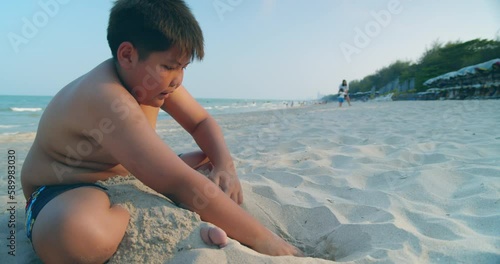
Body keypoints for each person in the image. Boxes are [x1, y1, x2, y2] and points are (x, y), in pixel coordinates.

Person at [20, 0, 302, 262]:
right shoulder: (106, 97)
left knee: (209, 159)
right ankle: (145, 211)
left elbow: (201, 122)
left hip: (128, 178)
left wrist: (225, 165)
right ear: (127, 54)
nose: (178, 79)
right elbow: (178, 182)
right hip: (61, 190)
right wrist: (265, 240)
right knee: (75, 238)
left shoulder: (159, 83)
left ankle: (159, 209)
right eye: (169, 66)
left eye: (183, 67)